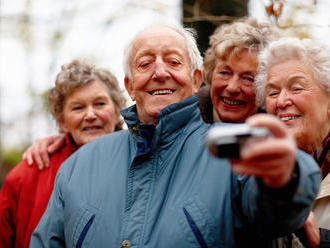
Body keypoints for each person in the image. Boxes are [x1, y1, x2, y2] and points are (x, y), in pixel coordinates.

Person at [30, 24, 320, 248]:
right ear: (130, 86)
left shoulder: (233, 153)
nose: (159, 72)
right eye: (145, 64)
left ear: (196, 80)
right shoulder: (78, 166)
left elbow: (276, 213)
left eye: (173, 61)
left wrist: (288, 178)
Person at [0, 59, 127, 248]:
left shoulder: (143, 161)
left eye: (100, 103)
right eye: (78, 107)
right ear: (62, 121)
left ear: (118, 111)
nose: (90, 114)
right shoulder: (26, 175)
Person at [256, 37, 330, 247]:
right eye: (272, 92)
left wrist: (320, 239)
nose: (281, 101)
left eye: (297, 88)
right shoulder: (257, 169)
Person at [200, 17, 279, 124]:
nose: (232, 88)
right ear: (211, 73)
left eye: (248, 78)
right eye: (224, 73)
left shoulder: (278, 122)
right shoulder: (186, 116)